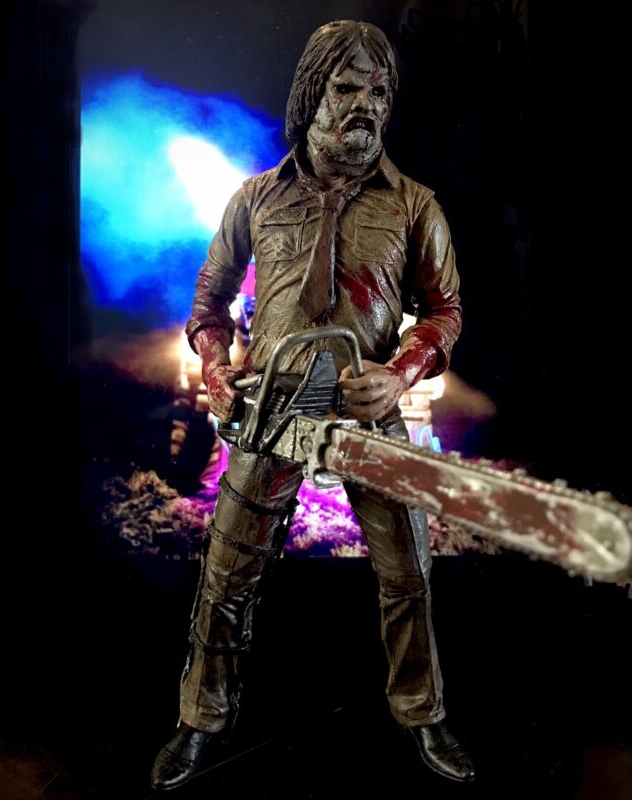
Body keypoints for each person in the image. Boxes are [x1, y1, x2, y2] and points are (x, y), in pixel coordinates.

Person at [151, 19, 474, 790]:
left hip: (369, 411)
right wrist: (216, 366)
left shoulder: (415, 206)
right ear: (311, 95)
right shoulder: (254, 199)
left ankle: (422, 714)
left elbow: (445, 311)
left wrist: (399, 374)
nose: (366, 104)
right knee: (226, 573)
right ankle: (201, 719)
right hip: (274, 410)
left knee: (409, 575)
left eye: (379, 91)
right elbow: (210, 303)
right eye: (347, 87)